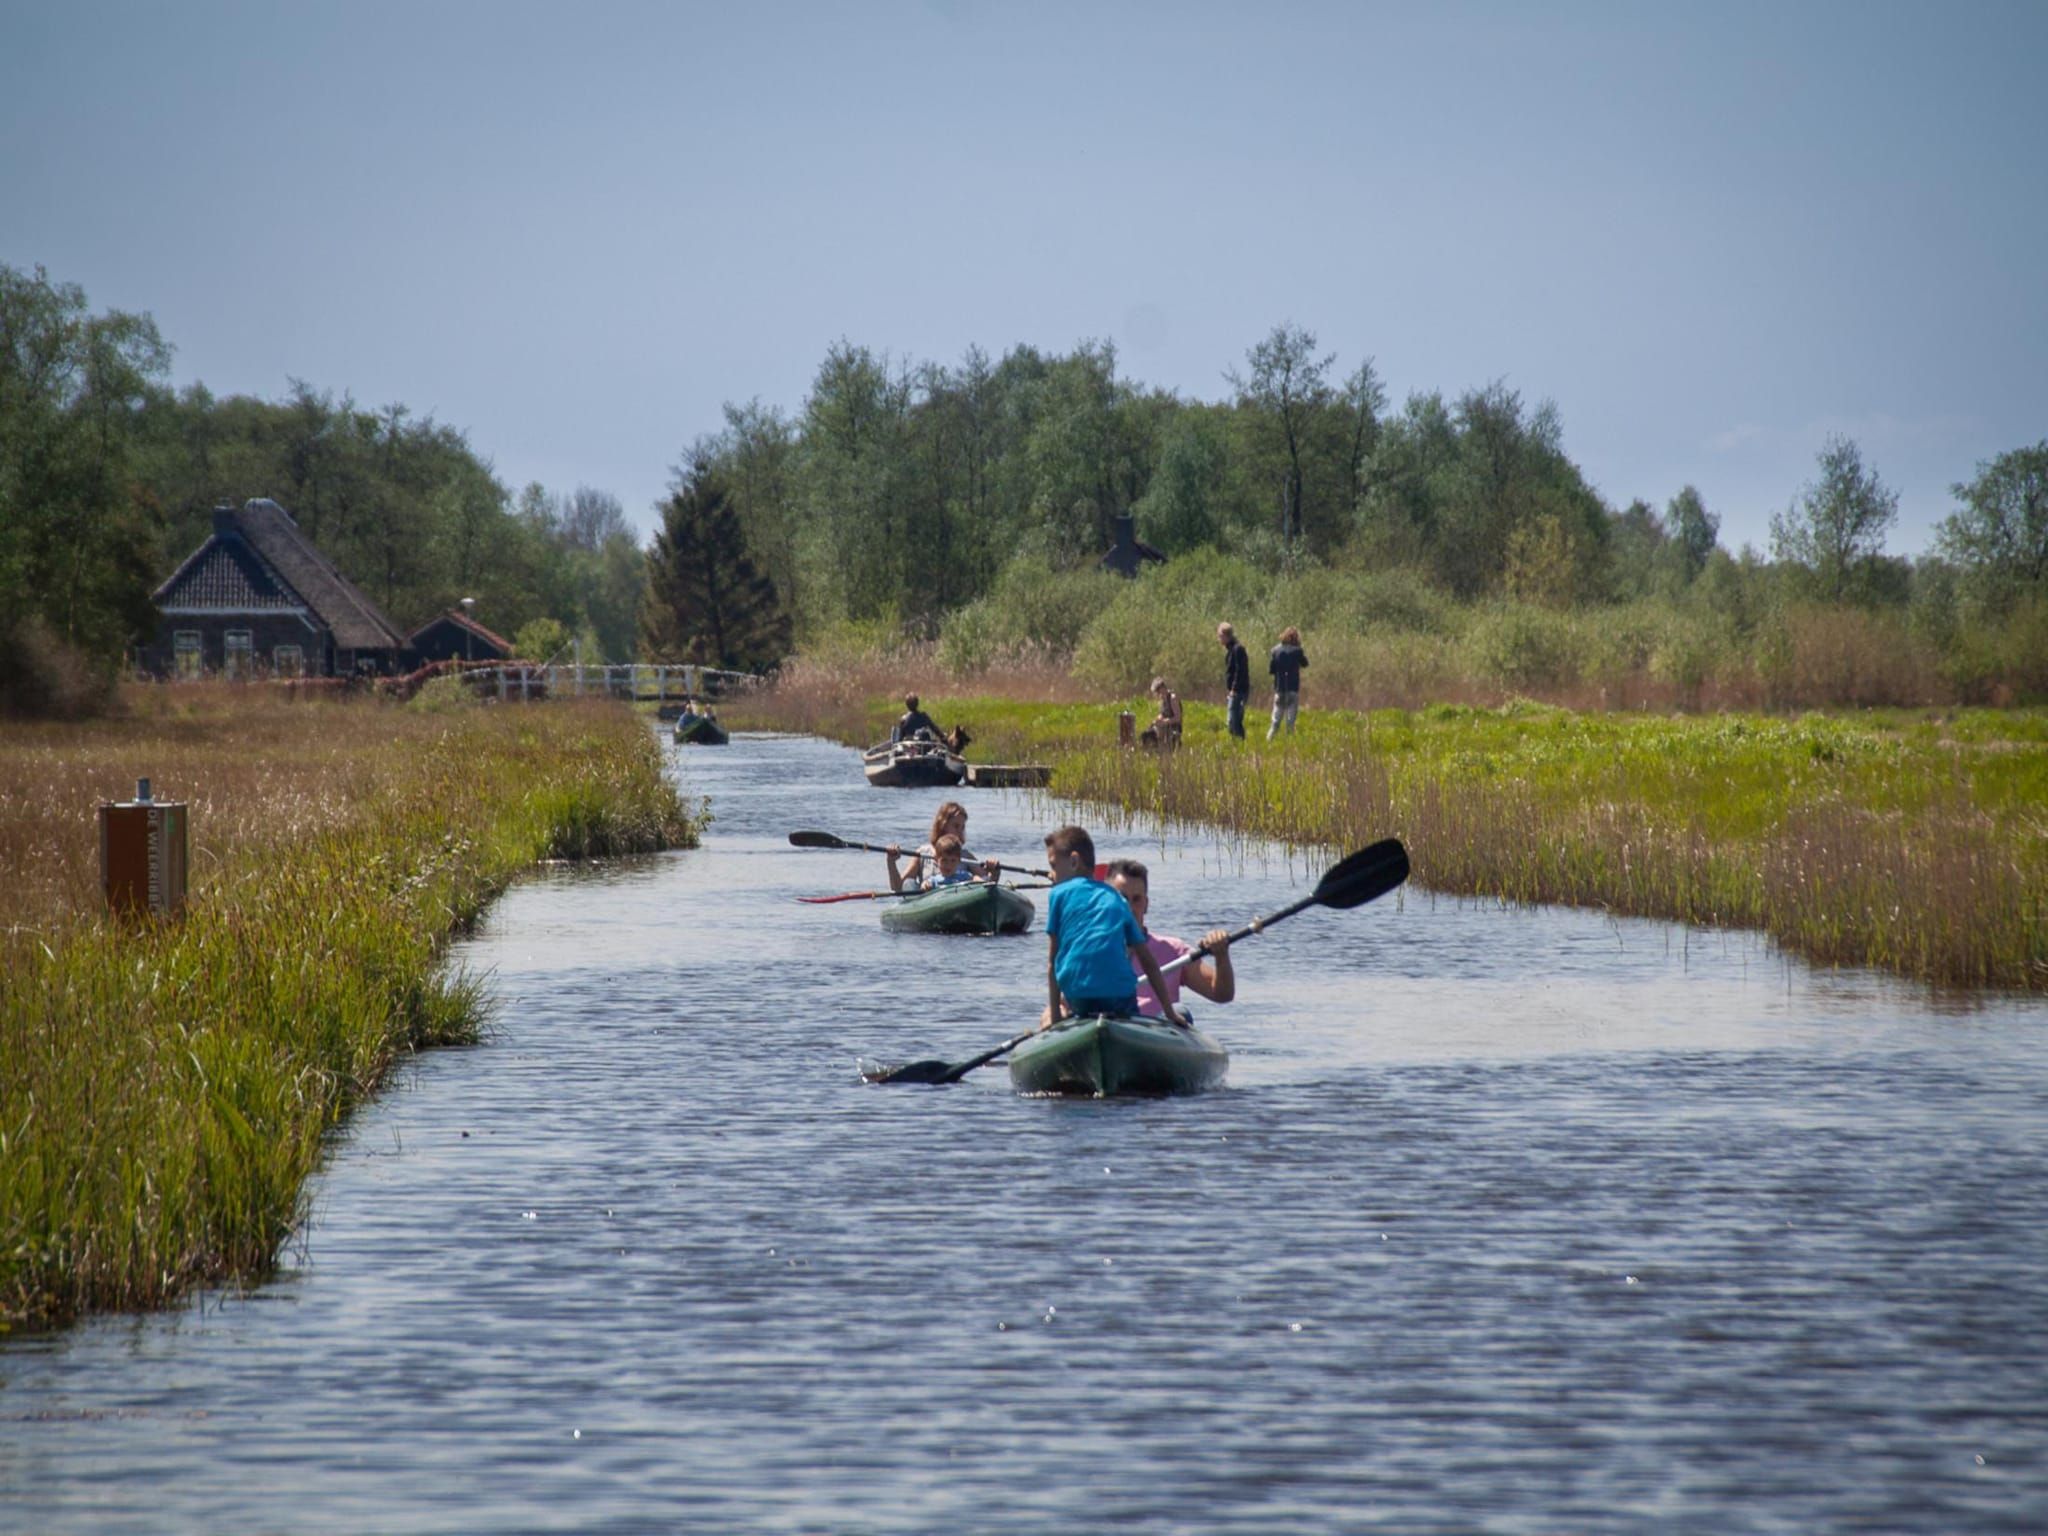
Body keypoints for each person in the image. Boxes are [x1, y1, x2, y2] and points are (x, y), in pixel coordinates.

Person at [1041, 825, 1185, 1028]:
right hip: (1119, 998)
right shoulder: (1118, 900)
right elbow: (1148, 961)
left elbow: (1052, 963)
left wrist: (1055, 1018)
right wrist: (1170, 1012)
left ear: (1074, 861)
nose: (1052, 874)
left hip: (1078, 997)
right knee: (1130, 1014)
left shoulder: (1057, 895)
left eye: (1054, 866)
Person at [1104, 859, 1234, 1017]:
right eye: (1122, 899)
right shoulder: (1087, 949)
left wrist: (1221, 956)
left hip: (1157, 1031)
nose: (1129, 908)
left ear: (1146, 905)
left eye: (1137, 899)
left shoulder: (1173, 951)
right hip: (1107, 1023)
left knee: (1181, 1011)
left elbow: (1222, 994)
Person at [886, 800, 997, 891]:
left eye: (962, 827)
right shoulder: (922, 853)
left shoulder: (965, 856)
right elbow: (898, 887)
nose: (960, 831)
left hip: (960, 902)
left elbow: (988, 884)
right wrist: (891, 862)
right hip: (930, 903)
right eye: (956, 826)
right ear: (943, 825)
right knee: (909, 883)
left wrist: (994, 870)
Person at [1267, 625, 1308, 739]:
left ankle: (1269, 740)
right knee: (1290, 722)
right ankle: (1290, 746)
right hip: (1292, 689)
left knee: (1275, 722)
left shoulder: (1275, 650)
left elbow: (1271, 670)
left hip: (1279, 689)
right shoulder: (1297, 651)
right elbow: (1305, 663)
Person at [1218, 621, 1250, 740]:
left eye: (1220, 636)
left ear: (1225, 635)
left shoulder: (1238, 649)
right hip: (1235, 691)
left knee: (1233, 721)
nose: (1219, 639)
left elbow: (1239, 671)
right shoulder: (1232, 650)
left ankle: (1240, 743)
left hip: (1239, 691)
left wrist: (1234, 689)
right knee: (1233, 721)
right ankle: (1237, 745)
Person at [1140, 676, 1182, 748]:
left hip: (1173, 728)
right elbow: (1163, 714)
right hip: (1163, 727)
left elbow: (1177, 718)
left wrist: (1165, 722)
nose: (1158, 694)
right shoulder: (1163, 700)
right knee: (1146, 735)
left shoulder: (1172, 698)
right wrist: (1156, 721)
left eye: (1158, 691)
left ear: (1162, 688)